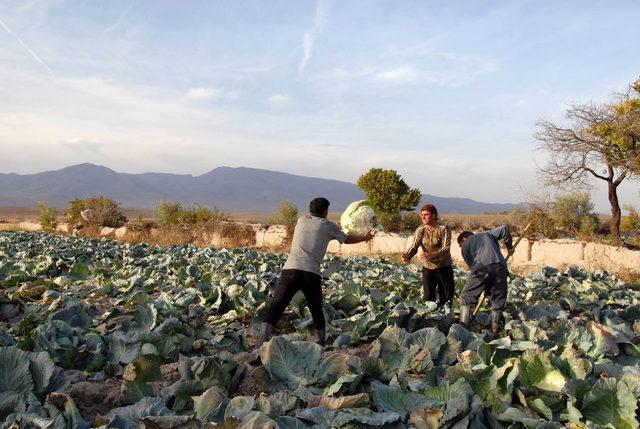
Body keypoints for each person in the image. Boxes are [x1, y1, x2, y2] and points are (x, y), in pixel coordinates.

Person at [254, 197, 374, 349]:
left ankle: (259, 345)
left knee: (277, 306)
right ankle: (320, 343)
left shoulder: (301, 220)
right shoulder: (328, 226)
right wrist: (365, 237)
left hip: (290, 270)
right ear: (326, 211)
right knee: (316, 308)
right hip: (311, 273)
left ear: (310, 209)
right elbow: (347, 239)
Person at [456, 225, 513, 337]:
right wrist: (509, 247)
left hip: (481, 267)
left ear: (463, 240)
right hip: (500, 266)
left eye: (460, 245)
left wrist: (484, 286)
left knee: (466, 297)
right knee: (498, 299)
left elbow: (475, 271)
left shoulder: (465, 246)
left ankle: (463, 329)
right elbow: (505, 228)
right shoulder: (488, 233)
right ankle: (495, 332)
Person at [402, 204, 454, 310]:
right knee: (428, 297)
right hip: (428, 267)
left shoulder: (444, 228)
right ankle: (430, 319)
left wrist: (433, 254)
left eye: (426, 214)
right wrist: (407, 255)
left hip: (443, 266)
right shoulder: (420, 229)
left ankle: (446, 317)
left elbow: (446, 247)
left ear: (434, 215)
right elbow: (414, 246)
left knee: (446, 297)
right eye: (422, 215)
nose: (423, 217)